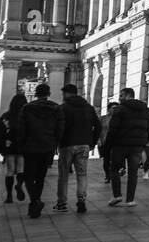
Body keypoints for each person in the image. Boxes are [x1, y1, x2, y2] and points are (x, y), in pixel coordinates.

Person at [16, 83, 63, 219]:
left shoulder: (27, 108)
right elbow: (60, 128)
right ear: (48, 94)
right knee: (41, 176)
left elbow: (21, 129)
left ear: (36, 94)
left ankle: (34, 201)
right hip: (48, 146)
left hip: (30, 146)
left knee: (29, 176)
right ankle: (35, 201)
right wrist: (56, 143)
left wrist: (21, 145)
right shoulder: (56, 108)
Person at [56, 83, 101, 214]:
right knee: (81, 174)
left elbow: (59, 127)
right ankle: (81, 200)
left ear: (66, 94)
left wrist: (58, 141)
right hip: (84, 145)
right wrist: (92, 142)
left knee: (63, 175)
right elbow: (97, 126)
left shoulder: (63, 108)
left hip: (67, 144)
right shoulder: (88, 108)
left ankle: (62, 203)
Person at [104, 87, 149, 207]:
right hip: (137, 146)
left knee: (114, 169)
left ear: (127, 96)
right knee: (133, 172)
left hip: (120, 145)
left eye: (121, 96)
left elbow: (113, 128)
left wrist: (108, 144)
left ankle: (117, 195)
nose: (119, 99)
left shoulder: (120, 109)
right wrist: (143, 141)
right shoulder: (146, 110)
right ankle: (130, 200)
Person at [1, 93, 27, 204]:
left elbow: (2, 132)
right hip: (22, 145)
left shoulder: (6, 116)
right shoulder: (25, 116)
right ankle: (19, 185)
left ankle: (9, 196)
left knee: (10, 170)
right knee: (21, 168)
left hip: (9, 145)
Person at [99, 101, 118, 183]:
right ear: (109, 109)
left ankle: (114, 174)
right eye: (113, 108)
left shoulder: (120, 119)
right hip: (105, 141)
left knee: (116, 160)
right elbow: (97, 130)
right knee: (106, 160)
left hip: (116, 142)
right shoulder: (102, 119)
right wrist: (98, 140)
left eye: (116, 108)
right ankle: (107, 175)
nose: (115, 110)